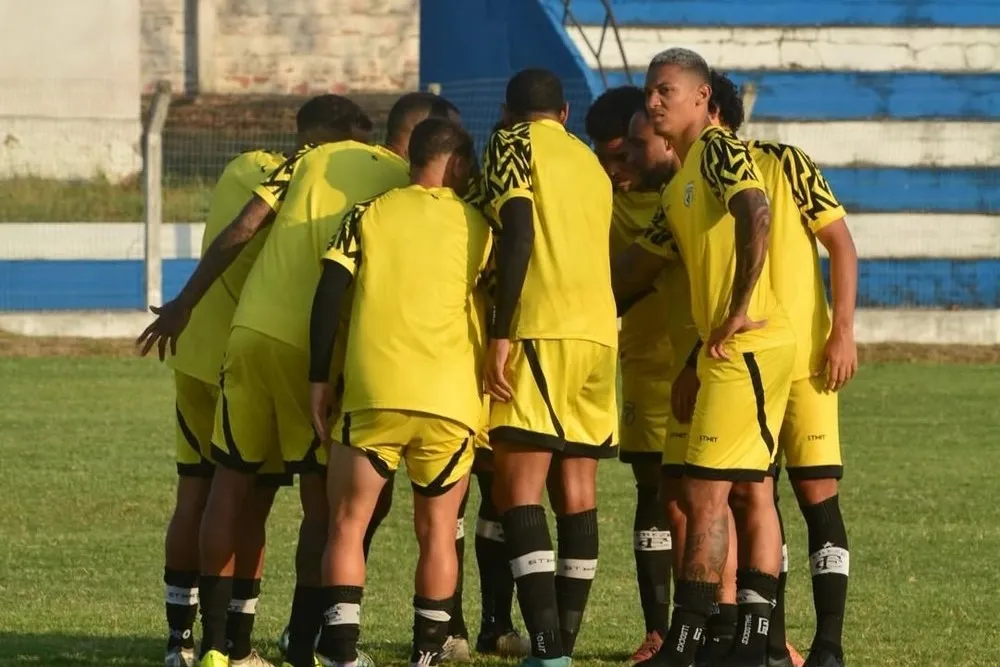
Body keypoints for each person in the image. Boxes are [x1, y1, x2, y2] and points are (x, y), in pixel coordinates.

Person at [138, 92, 458, 667]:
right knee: (323, 507)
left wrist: (185, 303)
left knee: (227, 484)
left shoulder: (306, 160)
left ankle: (214, 649)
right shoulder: (402, 186)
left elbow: (243, 228)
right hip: (317, 353)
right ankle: (306, 641)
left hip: (252, 332)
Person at [613, 48, 795, 667]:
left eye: (665, 90)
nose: (653, 101)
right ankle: (742, 646)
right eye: (648, 91)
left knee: (708, 493)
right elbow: (631, 275)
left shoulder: (717, 150)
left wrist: (741, 304)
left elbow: (757, 211)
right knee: (741, 491)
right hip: (723, 351)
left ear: (701, 98)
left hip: (749, 345)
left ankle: (690, 640)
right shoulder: (681, 186)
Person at [307, 117, 491, 667]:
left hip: (373, 391)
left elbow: (327, 294)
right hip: (450, 399)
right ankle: (427, 655)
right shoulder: (478, 225)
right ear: (456, 162)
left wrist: (320, 378)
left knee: (347, 521)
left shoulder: (368, 214)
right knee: (437, 531)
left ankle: (341, 651)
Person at [709, 70, 857, 667]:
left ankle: (829, 645)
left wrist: (842, 331)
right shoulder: (692, 181)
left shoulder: (785, 162)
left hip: (806, 366)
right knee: (755, 500)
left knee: (818, 501)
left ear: (710, 108)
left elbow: (841, 244)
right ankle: (770, 641)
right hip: (743, 366)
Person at [482, 67, 618, 667]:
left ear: (510, 113)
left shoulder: (511, 143)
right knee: (578, 489)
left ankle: (547, 650)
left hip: (541, 325)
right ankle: (560, 642)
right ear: (565, 113)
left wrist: (500, 332)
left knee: (516, 487)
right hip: (598, 333)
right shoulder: (590, 162)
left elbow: (518, 233)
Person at [585, 85, 693, 663]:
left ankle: (754, 627)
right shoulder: (599, 201)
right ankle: (660, 631)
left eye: (623, 155)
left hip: (713, 366)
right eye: (605, 156)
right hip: (648, 376)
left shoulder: (690, 189)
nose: (615, 168)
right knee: (654, 495)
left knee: (736, 497)